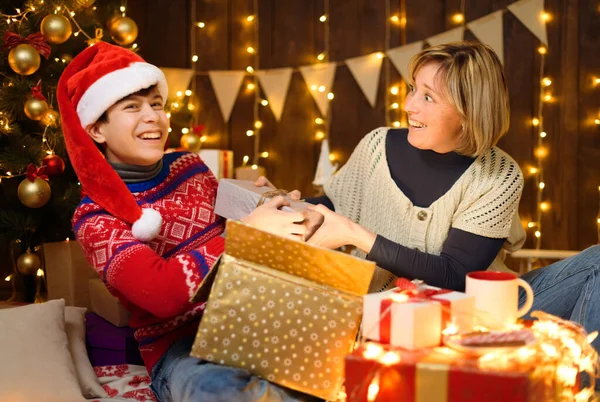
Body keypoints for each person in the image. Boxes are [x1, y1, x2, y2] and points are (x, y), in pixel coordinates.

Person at [257, 41, 600, 355]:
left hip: (478, 317)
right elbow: (336, 205)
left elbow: (453, 276)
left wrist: (355, 235)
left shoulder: (500, 175)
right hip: (391, 316)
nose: (408, 106)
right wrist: (283, 202)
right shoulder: (377, 147)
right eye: (412, 90)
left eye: (428, 97)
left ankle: (583, 384)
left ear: (469, 112)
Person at [57, 42, 314, 402]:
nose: (153, 117)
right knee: (219, 392)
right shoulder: (95, 217)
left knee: (337, 363)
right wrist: (249, 232)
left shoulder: (188, 165)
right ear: (97, 130)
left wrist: (271, 204)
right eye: (132, 107)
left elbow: (232, 230)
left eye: (156, 104)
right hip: (181, 349)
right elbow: (162, 295)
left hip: (251, 316)